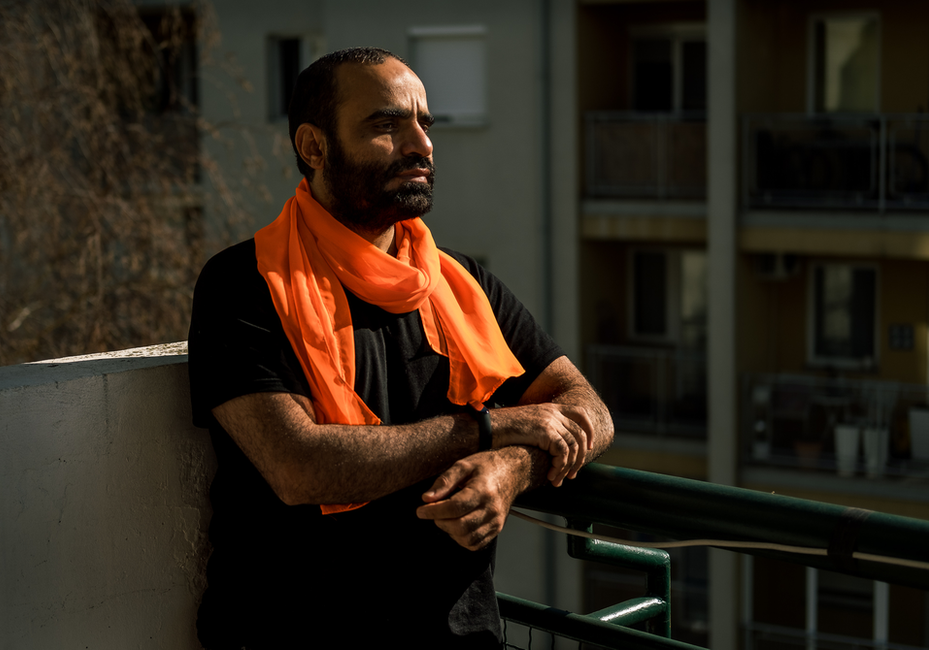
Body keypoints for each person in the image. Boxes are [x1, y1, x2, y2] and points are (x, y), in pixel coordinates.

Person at [187, 46, 613, 649]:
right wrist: (489, 430)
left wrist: (510, 469)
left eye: (424, 124)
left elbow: (587, 409)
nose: (422, 145)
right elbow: (299, 467)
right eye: (386, 125)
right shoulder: (244, 284)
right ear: (314, 147)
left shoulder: (462, 283)